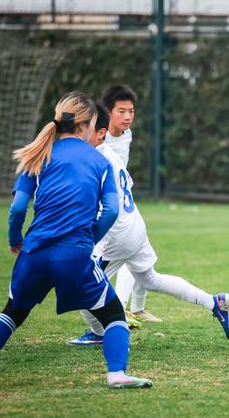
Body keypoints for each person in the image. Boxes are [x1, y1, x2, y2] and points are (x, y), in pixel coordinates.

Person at [0, 92, 152, 388]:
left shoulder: (38, 153)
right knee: (114, 315)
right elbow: (111, 210)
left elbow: (17, 208)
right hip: (75, 254)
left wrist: (15, 239)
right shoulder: (99, 159)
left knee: (12, 313)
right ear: (85, 125)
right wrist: (88, 239)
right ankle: (116, 373)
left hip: (34, 252)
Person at [68, 103, 229, 346]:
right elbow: (126, 186)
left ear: (101, 133)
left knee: (82, 285)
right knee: (150, 280)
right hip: (134, 225)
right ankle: (213, 302)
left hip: (116, 235)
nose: (78, 133)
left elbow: (102, 205)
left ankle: (100, 333)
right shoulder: (110, 154)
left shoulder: (94, 159)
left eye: (84, 128)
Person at [101, 85, 157, 325]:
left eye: (131, 111)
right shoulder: (98, 137)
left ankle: (134, 309)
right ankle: (123, 308)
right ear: (108, 112)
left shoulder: (127, 134)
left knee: (139, 256)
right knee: (128, 255)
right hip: (105, 206)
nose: (127, 117)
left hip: (123, 202)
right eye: (121, 111)